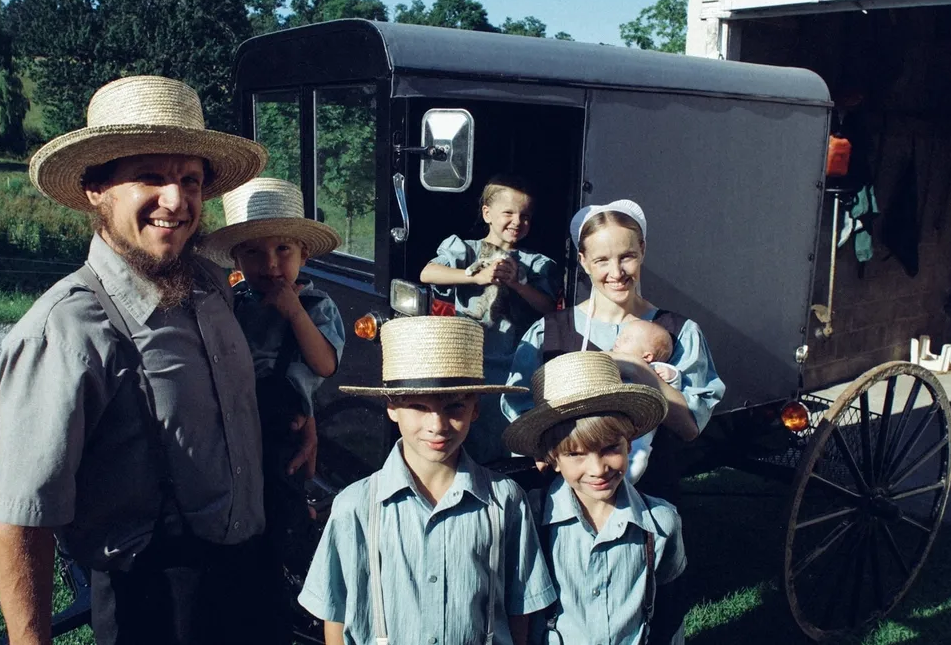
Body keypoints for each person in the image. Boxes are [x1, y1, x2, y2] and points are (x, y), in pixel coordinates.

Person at [0, 76, 306, 645]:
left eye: (189, 179)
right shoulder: (63, 329)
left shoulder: (213, 288)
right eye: (150, 178)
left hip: (252, 575)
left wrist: (293, 419)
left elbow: (221, 402)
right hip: (156, 607)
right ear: (96, 188)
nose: (176, 200)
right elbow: (22, 520)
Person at [299, 316, 556, 645]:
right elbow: (334, 612)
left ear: (475, 408)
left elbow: (521, 607)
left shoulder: (505, 500)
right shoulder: (355, 506)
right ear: (392, 407)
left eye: (454, 407)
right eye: (419, 406)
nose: (437, 425)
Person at [503, 199, 725, 503]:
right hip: (563, 499)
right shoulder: (551, 332)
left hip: (648, 496)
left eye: (627, 256)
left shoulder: (676, 332)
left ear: (643, 250)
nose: (616, 272)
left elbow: (688, 426)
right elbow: (521, 412)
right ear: (583, 261)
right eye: (602, 260)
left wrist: (639, 369)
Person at [201, 176, 345, 575]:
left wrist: (294, 312)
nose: (270, 264)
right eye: (253, 252)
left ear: (304, 255)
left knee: (281, 498)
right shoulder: (235, 304)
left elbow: (325, 365)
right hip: (236, 420)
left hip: (284, 424)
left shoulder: (316, 305)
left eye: (283, 249)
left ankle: (290, 564)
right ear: (237, 261)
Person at [502, 351, 687, 645]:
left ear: (629, 443)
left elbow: (668, 607)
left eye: (610, 448)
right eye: (576, 454)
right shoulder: (531, 518)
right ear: (552, 458)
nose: (598, 469)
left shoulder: (661, 522)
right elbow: (519, 607)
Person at [419, 175, 559, 464]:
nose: (517, 221)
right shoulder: (465, 249)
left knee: (510, 432)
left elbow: (549, 309)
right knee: (470, 431)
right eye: (508, 212)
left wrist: (520, 285)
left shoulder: (536, 263)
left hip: (517, 365)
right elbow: (428, 273)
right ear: (487, 213)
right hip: (469, 363)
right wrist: (474, 275)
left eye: (525, 216)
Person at [610, 319, 680, 483]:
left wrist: (672, 375)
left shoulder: (655, 369)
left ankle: (626, 481)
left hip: (642, 428)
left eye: (626, 339)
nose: (618, 341)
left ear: (647, 356)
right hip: (615, 422)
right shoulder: (615, 360)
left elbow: (674, 389)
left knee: (639, 453)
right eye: (620, 336)